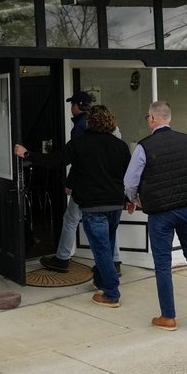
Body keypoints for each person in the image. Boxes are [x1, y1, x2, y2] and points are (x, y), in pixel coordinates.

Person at [15, 104, 131, 307]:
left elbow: (54, 160)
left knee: (102, 249)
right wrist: (130, 199)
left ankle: (111, 294)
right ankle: (101, 280)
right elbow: (128, 176)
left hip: (93, 206)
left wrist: (27, 154)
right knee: (107, 245)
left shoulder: (80, 144)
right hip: (115, 204)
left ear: (89, 122)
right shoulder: (120, 146)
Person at [123, 100, 187, 331]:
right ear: (168, 119)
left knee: (163, 264)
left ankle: (168, 317)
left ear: (152, 119)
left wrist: (134, 200)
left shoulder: (144, 146)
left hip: (160, 213)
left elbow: (130, 182)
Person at [38, 91, 123, 275]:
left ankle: (63, 258)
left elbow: (76, 159)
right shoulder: (118, 140)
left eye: (73, 104)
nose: (71, 108)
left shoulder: (81, 129)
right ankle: (114, 263)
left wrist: (70, 181)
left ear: (79, 107)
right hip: (112, 192)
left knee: (72, 220)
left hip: (89, 189)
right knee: (108, 230)